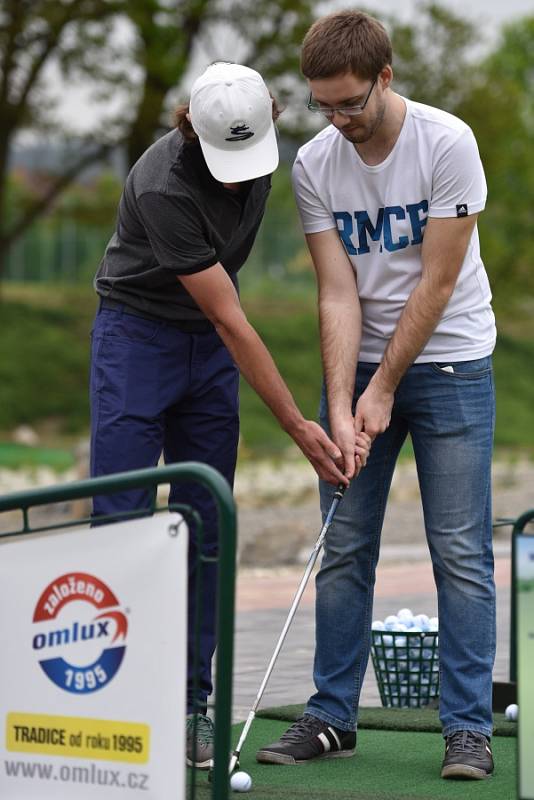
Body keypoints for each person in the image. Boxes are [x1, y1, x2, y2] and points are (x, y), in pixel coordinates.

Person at [89, 61, 371, 770]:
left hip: (207, 352)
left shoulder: (260, 153)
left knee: (204, 524)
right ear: (192, 129)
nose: (243, 178)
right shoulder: (162, 185)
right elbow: (231, 321)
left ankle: (190, 705)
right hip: (138, 335)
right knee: (119, 519)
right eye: (228, 162)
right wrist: (300, 428)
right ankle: (108, 710)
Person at [256, 11, 497, 781]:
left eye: (351, 102)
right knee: (343, 545)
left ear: (385, 78)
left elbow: (438, 279)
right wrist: (341, 403)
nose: (338, 119)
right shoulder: (316, 164)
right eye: (324, 105)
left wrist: (386, 386)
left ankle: (466, 729)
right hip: (362, 366)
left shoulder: (447, 142)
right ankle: (331, 715)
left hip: (454, 360)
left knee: (458, 551)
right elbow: (336, 292)